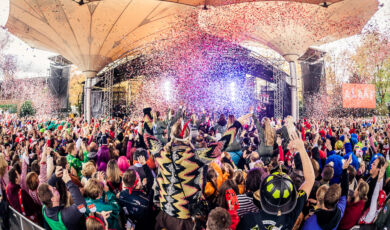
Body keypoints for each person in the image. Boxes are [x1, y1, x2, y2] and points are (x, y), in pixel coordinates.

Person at [237, 132, 315, 230]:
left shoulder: (247, 220)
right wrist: (302, 149)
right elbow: (310, 179)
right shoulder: (290, 216)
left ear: (262, 196)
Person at [302, 154, 351, 230]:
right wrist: (344, 170)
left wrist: (305, 219)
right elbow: (345, 192)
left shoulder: (311, 221)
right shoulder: (339, 212)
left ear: (321, 200)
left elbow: (344, 192)